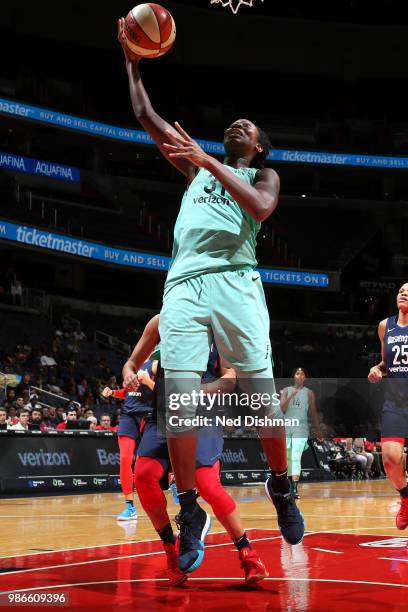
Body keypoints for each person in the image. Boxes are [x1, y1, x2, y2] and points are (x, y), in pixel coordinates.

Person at [118, 18, 303, 573]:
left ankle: (281, 484)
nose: (238, 124)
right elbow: (146, 117)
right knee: (178, 397)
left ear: (259, 146)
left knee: (262, 395)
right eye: (234, 123)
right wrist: (132, 61)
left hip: (236, 279)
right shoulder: (197, 167)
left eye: (248, 126)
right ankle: (191, 509)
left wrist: (207, 161)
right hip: (185, 282)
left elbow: (262, 209)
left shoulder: (262, 176)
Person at [124, 314, 268, 586]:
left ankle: (248, 552)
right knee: (142, 475)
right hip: (164, 412)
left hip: (204, 414)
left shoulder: (218, 326)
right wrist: (130, 375)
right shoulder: (160, 322)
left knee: (206, 483)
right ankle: (171, 550)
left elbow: (229, 378)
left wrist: (200, 390)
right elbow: (130, 364)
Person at [368, 282, 408, 529]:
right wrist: (377, 369)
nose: (404, 293)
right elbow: (386, 362)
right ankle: (406, 498)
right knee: (391, 459)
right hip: (395, 403)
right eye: (402, 290)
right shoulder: (386, 326)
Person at [102, 350, 158, 522]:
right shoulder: (131, 367)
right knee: (126, 459)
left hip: (148, 415)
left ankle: (176, 485)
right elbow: (127, 393)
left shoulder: (156, 364)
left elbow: (164, 392)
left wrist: (147, 381)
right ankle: (130, 506)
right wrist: (112, 393)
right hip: (128, 416)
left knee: (150, 461)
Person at [280, 368, 322, 498]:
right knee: (287, 458)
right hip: (287, 427)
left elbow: (313, 413)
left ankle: (294, 488)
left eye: (302, 374)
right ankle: (286, 486)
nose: (300, 375)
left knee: (295, 456)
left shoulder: (309, 393)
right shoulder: (285, 390)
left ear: (305, 378)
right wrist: (290, 396)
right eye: (297, 373)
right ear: (293, 376)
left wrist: (318, 429)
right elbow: (282, 409)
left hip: (301, 428)